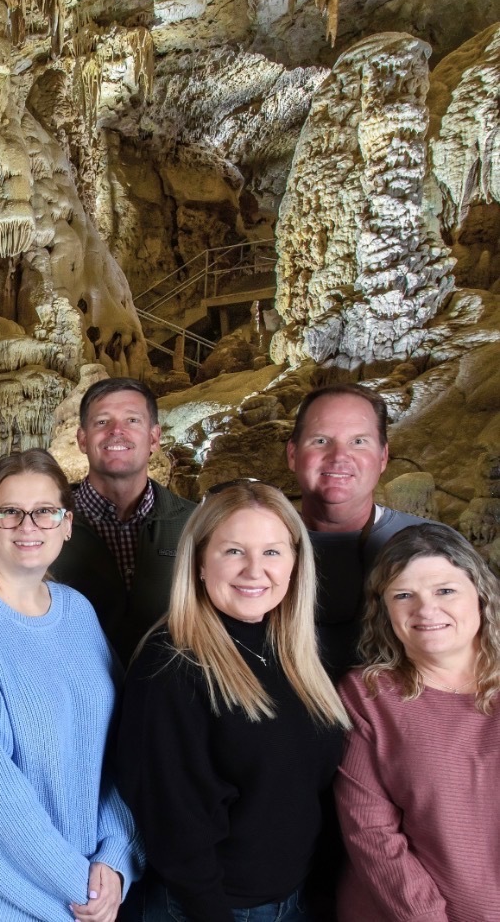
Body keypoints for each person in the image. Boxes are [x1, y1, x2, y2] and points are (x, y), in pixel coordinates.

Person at [0, 449, 143, 922]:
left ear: (66, 524)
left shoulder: (77, 612)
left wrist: (115, 858)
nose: (27, 525)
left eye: (44, 512)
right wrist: (81, 886)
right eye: (9, 512)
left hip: (84, 892)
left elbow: (124, 746)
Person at [117, 480, 349, 922]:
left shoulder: (296, 650)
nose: (254, 570)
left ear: (296, 564)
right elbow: (173, 823)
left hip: (293, 899)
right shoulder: (170, 665)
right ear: (200, 562)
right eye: (233, 551)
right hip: (209, 908)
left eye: (272, 552)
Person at [334, 523, 500, 921]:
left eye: (445, 590)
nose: (426, 610)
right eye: (404, 595)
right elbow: (371, 834)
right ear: (384, 609)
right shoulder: (368, 696)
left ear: (479, 594)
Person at [287, 383, 432, 674]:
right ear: (292, 455)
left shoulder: (433, 548)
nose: (339, 456)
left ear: (382, 458)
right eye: (320, 441)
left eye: (359, 442)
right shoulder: (254, 544)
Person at [49, 377, 196, 662]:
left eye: (132, 420)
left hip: (168, 695)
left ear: (154, 438)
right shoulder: (44, 526)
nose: (117, 431)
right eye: (102, 422)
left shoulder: (195, 525)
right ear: (82, 439)